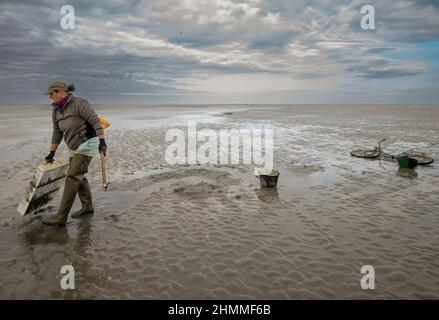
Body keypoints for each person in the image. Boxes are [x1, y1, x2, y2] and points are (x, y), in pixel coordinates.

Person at [40, 82, 107, 226]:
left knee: (72, 176)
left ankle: (61, 216)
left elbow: (96, 122)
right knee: (79, 176)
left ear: (59, 91)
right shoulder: (56, 110)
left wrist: (102, 142)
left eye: (51, 94)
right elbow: (57, 132)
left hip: (88, 143)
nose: (50, 97)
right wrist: (52, 152)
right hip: (73, 146)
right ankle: (87, 207)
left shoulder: (80, 104)